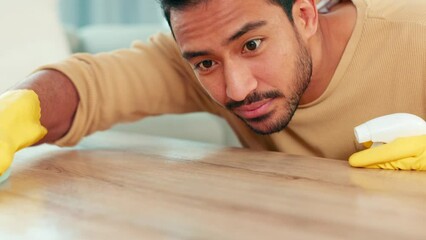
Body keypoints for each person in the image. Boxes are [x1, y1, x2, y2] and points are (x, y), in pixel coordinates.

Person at [0, 0, 424, 176]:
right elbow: (90, 86)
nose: (237, 90)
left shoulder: (415, 32)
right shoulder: (201, 49)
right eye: (206, 63)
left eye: (252, 44)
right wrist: (14, 111)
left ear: (305, 14)